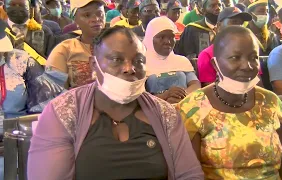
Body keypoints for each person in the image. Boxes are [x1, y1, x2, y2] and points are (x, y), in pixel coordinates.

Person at [28, 26, 204, 180]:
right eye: (116, 59)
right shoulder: (63, 112)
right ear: (93, 65)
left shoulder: (165, 114)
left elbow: (189, 174)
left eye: (139, 61)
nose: (129, 68)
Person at [177, 25, 282, 179]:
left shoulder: (269, 102)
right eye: (235, 58)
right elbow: (191, 176)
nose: (247, 66)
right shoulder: (193, 108)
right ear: (215, 64)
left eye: (253, 58)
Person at [45, 0, 106, 89]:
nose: (96, 19)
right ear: (75, 20)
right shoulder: (64, 50)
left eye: (99, 13)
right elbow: (57, 94)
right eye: (87, 15)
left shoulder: (119, 45)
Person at [144, 16, 201, 104]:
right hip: (154, 111)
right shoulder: (141, 65)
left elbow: (195, 85)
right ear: (150, 38)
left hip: (184, 106)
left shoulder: (182, 61)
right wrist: (166, 96)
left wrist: (182, 97)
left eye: (171, 37)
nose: (168, 41)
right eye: (161, 37)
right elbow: (140, 97)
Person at [197, 7, 252, 87]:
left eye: (241, 23)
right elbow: (210, 91)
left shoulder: (249, 52)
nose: (238, 27)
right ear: (219, 26)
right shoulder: (207, 55)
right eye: (234, 22)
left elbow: (258, 85)